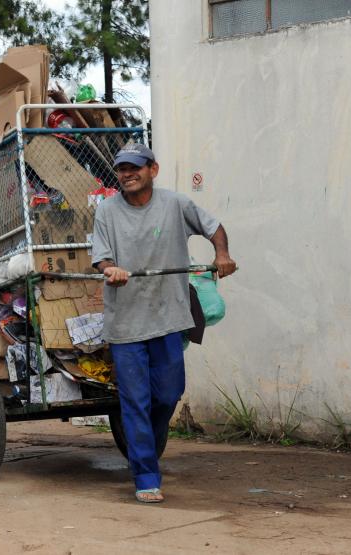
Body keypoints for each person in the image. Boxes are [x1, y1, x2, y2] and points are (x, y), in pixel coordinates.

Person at [91, 143, 237, 504]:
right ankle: (145, 475)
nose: (127, 174)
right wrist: (110, 269)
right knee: (135, 401)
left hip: (169, 318)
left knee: (168, 394)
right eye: (122, 169)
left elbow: (213, 226)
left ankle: (145, 453)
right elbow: (101, 257)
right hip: (126, 324)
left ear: (152, 170)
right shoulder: (107, 211)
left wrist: (221, 254)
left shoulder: (175, 204)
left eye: (134, 167)